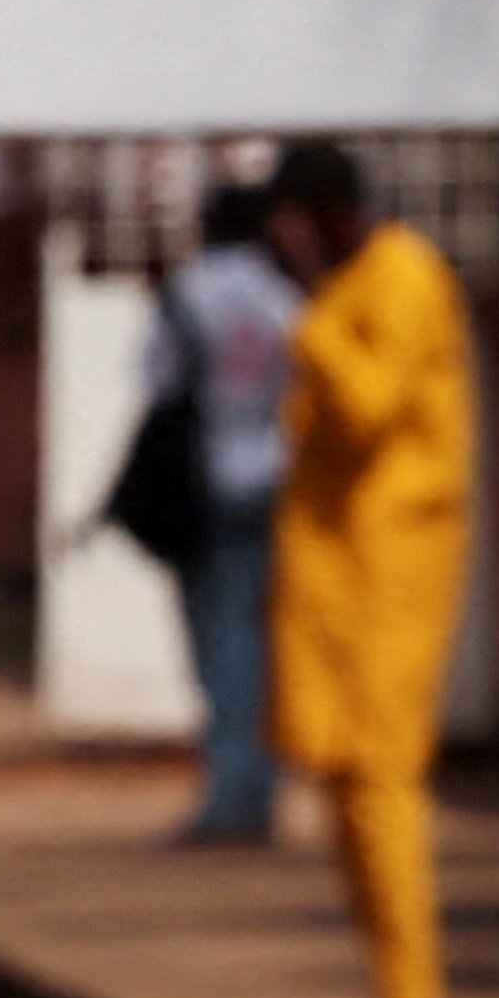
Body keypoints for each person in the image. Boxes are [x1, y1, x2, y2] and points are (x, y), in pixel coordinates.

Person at [260, 140, 475, 998]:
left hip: (392, 575)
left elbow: (371, 407)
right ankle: (390, 996)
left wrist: (307, 324)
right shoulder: (352, 287)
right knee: (346, 780)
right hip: (342, 580)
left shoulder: (401, 279)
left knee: (382, 777)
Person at [148, 181, 302, 845]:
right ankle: (256, 783)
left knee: (221, 640)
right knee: (264, 638)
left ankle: (233, 789)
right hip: (277, 475)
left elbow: (155, 382)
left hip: (207, 480)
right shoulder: (284, 297)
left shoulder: (188, 293)